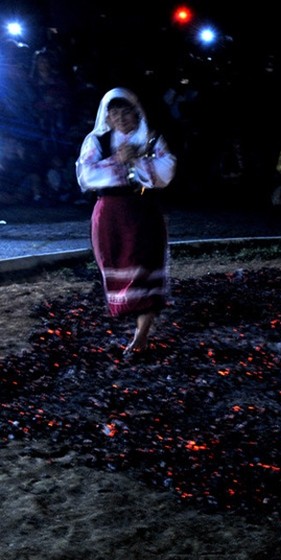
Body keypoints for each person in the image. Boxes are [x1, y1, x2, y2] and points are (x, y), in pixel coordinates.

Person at [76, 87, 177, 358]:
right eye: (114, 113)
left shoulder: (151, 139)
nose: (120, 118)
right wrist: (116, 161)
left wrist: (138, 161)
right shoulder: (97, 141)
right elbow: (86, 177)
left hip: (143, 212)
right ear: (107, 117)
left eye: (126, 112)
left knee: (146, 266)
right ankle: (132, 317)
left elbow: (167, 171)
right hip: (111, 214)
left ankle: (141, 335)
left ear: (137, 112)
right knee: (119, 265)